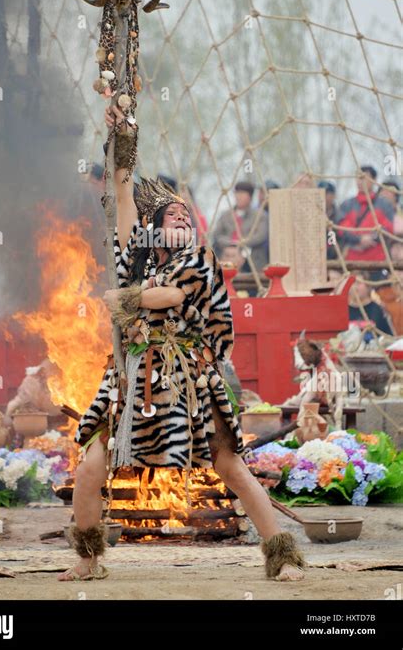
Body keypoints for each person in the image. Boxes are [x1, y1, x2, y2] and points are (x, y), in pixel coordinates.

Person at [58, 105, 305, 584]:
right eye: (170, 213)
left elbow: (170, 295)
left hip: (188, 374)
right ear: (153, 226)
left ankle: (283, 557)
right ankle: (88, 557)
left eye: (185, 213)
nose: (181, 217)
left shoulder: (200, 259)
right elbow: (124, 193)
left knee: (228, 464)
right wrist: (121, 135)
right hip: (130, 375)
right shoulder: (135, 255)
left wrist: (126, 298)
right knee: (91, 461)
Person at [337, 166, 394, 278]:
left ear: (374, 180)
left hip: (377, 263)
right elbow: (341, 229)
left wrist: (370, 239)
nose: (360, 181)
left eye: (364, 178)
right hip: (351, 262)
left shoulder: (385, 205)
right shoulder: (346, 205)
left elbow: (388, 228)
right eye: (358, 178)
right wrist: (360, 239)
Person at [212, 181, 268, 273]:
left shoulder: (260, 215)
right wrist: (231, 244)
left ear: (250, 196)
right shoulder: (225, 215)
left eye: (242, 193)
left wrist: (241, 244)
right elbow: (217, 235)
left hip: (251, 260)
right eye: (237, 193)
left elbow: (260, 236)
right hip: (227, 256)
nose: (238, 196)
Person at [318, 181, 339, 260]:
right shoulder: (311, 215)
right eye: (320, 193)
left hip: (335, 258)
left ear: (333, 196)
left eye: (326, 193)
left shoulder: (339, 216)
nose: (323, 196)